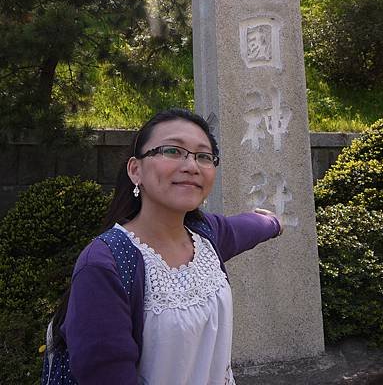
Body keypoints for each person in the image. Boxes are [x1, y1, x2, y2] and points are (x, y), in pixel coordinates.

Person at [46, 108, 282, 385]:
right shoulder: (104, 265)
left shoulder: (205, 236)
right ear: (136, 170)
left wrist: (273, 222)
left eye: (203, 156)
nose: (191, 166)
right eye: (173, 151)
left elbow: (247, 227)